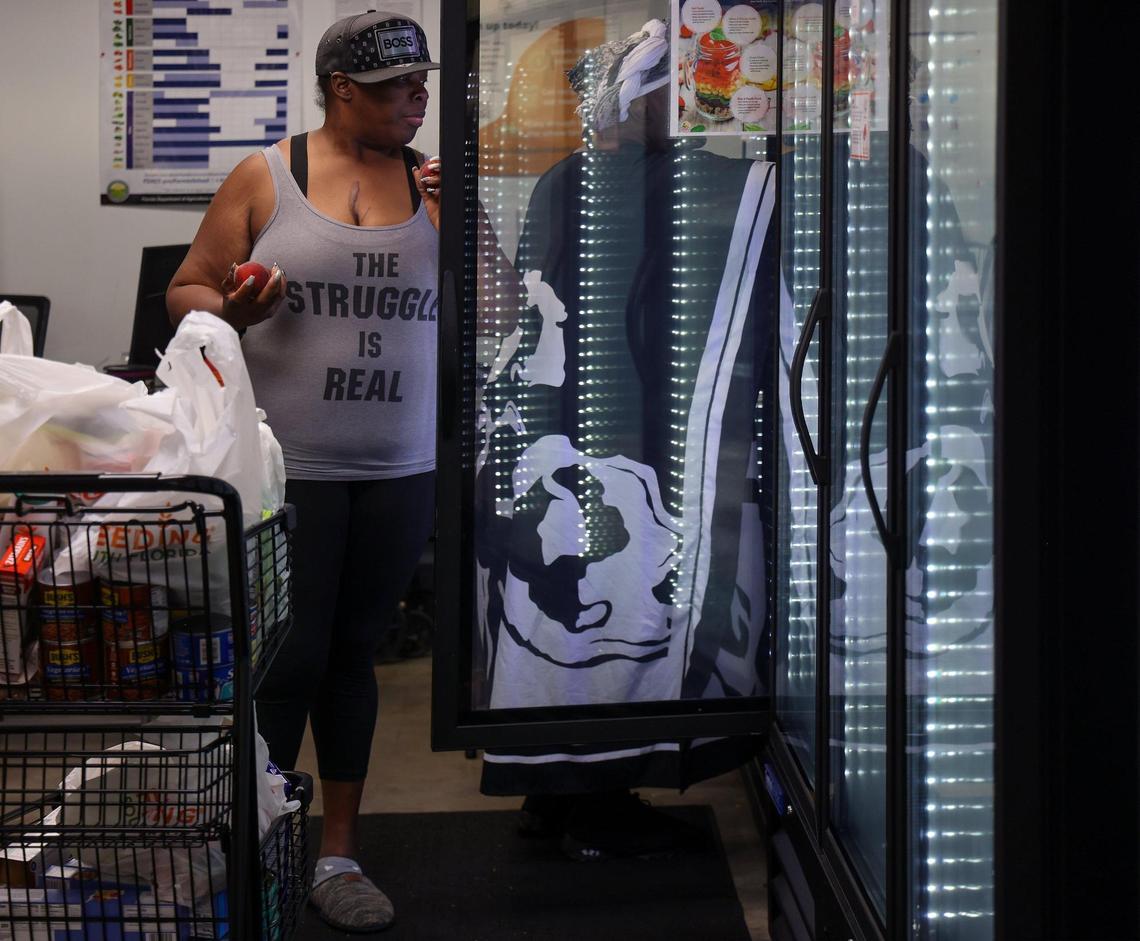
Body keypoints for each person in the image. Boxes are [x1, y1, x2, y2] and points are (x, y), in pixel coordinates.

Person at [473, 18, 778, 860]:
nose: (683, 112)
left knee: (563, 631)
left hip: (564, 432)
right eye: (668, 94)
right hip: (622, 436)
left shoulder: (565, 179)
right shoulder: (666, 183)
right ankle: (596, 802)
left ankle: (555, 787)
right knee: (615, 615)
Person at [166, 10, 441, 933]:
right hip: (292, 472)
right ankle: (262, 842)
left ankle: (337, 852)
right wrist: (240, 303)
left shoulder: (434, 182)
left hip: (399, 467)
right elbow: (189, 288)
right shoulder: (266, 175)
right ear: (341, 91)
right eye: (400, 84)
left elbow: (494, 310)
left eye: (423, 81)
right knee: (288, 658)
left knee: (354, 658)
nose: (420, 97)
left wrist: (467, 215)